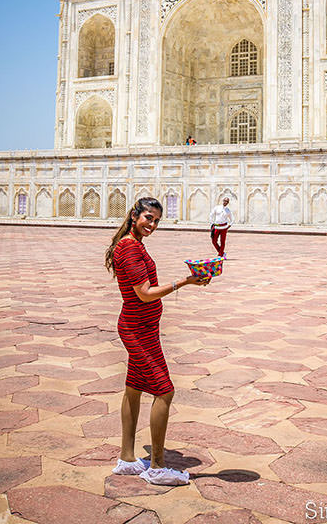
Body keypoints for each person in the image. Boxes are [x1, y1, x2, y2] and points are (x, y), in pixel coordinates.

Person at [107, 197, 210, 486]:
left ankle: (127, 458)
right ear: (135, 215)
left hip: (142, 327)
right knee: (164, 391)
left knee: (134, 388)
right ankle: (157, 466)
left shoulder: (134, 244)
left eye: (156, 221)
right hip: (137, 330)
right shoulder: (129, 247)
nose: (151, 225)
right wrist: (184, 282)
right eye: (148, 218)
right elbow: (144, 293)